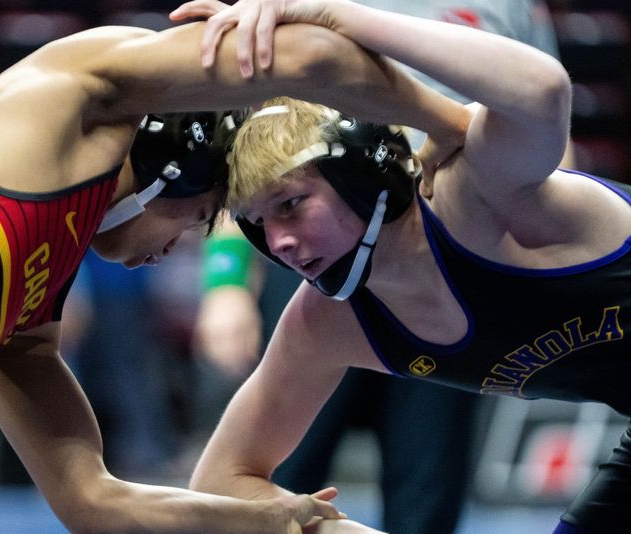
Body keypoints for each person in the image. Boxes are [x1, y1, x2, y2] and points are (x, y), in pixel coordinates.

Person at [0, 10, 472, 532]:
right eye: (202, 216)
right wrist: (448, 122)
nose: (185, 241)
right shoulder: (67, 93)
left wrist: (265, 517)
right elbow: (310, 56)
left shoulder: (24, 313)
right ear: (179, 165)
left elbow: (93, 502)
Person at [174, 1, 630, 533]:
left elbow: (544, 89)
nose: (279, 243)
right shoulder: (324, 322)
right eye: (258, 223)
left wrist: (335, 15)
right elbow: (219, 484)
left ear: (359, 174)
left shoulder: (475, 196)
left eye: (291, 205)